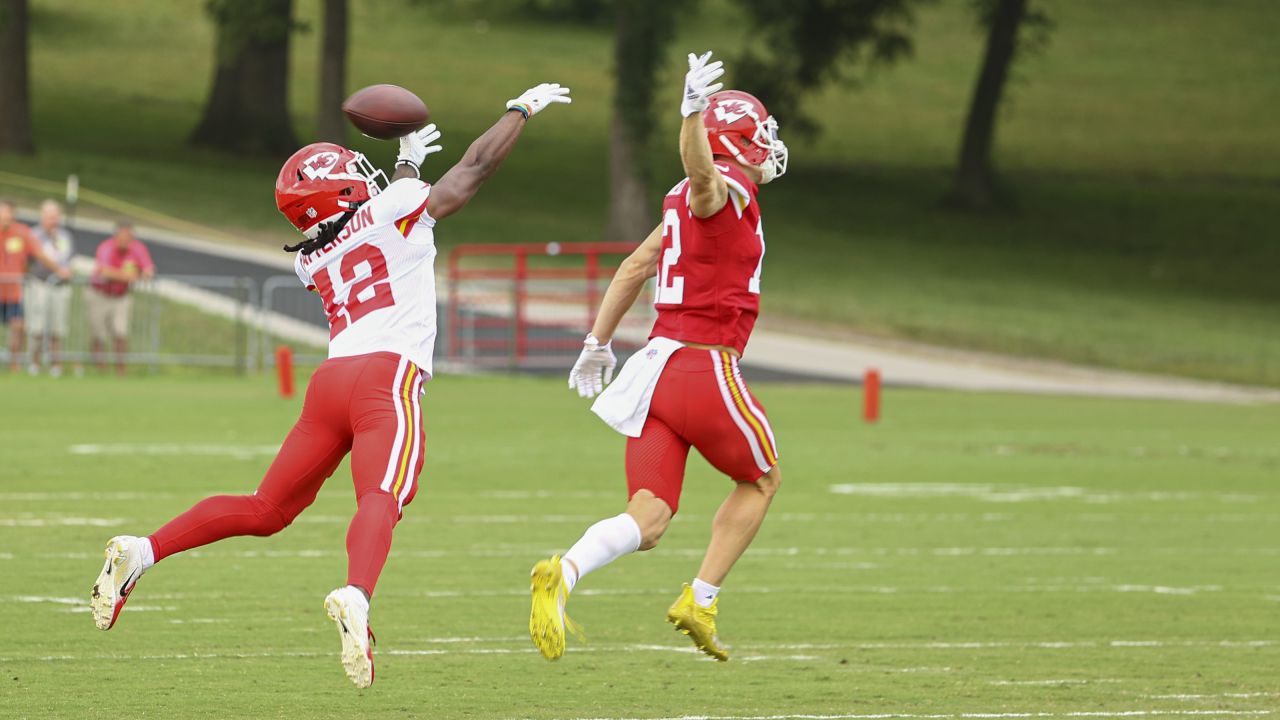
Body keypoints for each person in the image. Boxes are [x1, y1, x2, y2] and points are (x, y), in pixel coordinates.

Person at [89, 82, 572, 689]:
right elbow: (472, 170)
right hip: (385, 378)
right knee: (382, 497)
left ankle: (144, 549)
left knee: (266, 508)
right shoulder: (390, 210)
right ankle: (357, 595)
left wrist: (406, 164)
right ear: (343, 190)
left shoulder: (310, 255)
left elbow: (380, 207)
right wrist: (518, 111)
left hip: (331, 383)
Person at [529, 52, 788, 662]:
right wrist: (693, 115)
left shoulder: (676, 201)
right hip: (703, 365)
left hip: (656, 370)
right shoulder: (721, 191)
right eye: (760, 135)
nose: (768, 144)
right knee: (762, 480)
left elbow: (635, 267)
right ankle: (701, 598)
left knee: (648, 518)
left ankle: (562, 574)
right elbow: (704, 181)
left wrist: (597, 343)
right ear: (738, 143)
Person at [0, 200, 72, 372]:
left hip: (14, 293)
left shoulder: (22, 233)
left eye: (8, 217)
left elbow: (40, 254)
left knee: (18, 329)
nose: (5, 220)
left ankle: (14, 367)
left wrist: (59, 269)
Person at [87, 220, 154, 375]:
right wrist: (130, 276)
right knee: (99, 334)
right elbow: (104, 271)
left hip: (121, 296)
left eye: (129, 238)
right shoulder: (106, 247)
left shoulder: (138, 248)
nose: (126, 241)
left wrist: (133, 275)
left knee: (121, 332)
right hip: (100, 294)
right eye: (123, 237)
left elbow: (148, 271)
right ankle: (100, 370)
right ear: (116, 237)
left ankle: (120, 370)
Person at [26, 199, 75, 376]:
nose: (53, 221)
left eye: (56, 217)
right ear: (42, 217)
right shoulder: (34, 235)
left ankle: (56, 365)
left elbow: (68, 259)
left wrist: (67, 270)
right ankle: (34, 363)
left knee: (57, 328)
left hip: (59, 287)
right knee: (37, 327)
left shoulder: (64, 236)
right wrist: (58, 269)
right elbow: (37, 257)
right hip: (40, 284)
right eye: (50, 217)